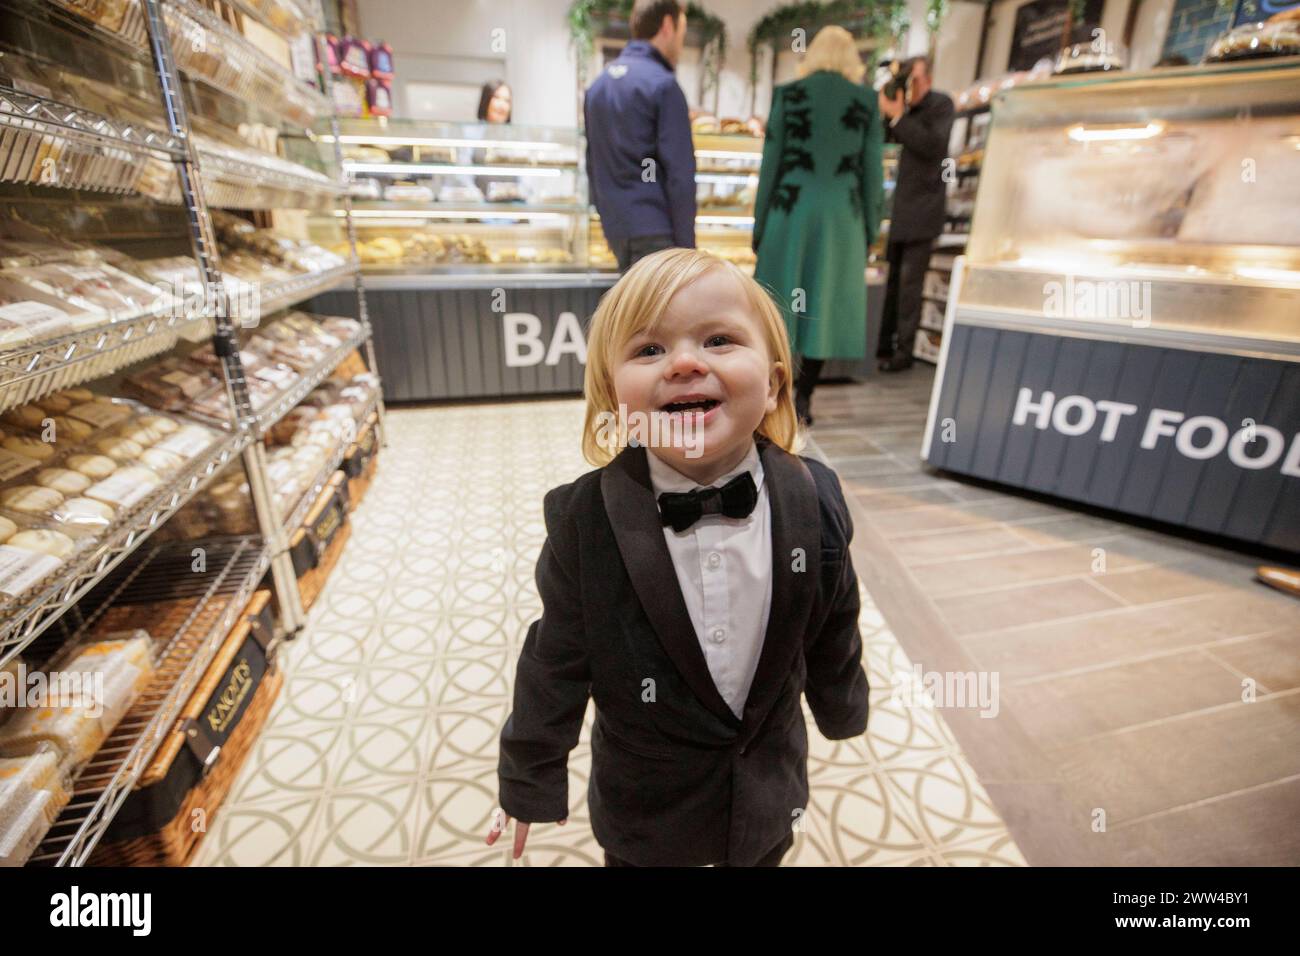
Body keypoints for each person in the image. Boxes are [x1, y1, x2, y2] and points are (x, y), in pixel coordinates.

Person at [486, 248, 869, 867]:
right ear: (615, 397)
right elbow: (554, 657)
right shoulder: (584, 519)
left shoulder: (814, 495)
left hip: (767, 796)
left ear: (773, 383)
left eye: (719, 339)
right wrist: (530, 776)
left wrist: (842, 705)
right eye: (648, 350)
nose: (685, 362)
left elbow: (833, 618)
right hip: (646, 814)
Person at [752, 25, 884, 427]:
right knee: (823, 307)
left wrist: (760, 227)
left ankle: (769, 392)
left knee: (775, 308)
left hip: (789, 211)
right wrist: (871, 229)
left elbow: (770, 165)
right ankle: (804, 398)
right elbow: (872, 173)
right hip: (842, 218)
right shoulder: (865, 101)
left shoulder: (788, 96)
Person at [584, 0, 696, 272]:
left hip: (618, 230)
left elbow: (592, 165)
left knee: (635, 313)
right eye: (682, 32)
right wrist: (687, 251)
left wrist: (607, 221)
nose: (681, 45)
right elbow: (679, 175)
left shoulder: (598, 87)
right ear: (667, 25)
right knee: (662, 315)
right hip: (658, 233)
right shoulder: (663, 85)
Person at [876, 55, 954, 372]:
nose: (911, 86)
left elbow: (933, 146)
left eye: (916, 79)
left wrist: (897, 118)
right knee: (888, 283)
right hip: (892, 214)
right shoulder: (899, 109)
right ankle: (881, 345)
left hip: (921, 215)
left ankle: (903, 353)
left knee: (910, 287)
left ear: (929, 80)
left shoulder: (940, 106)